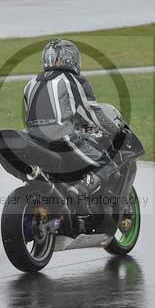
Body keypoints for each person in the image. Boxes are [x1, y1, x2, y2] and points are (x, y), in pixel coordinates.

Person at [23, 39, 119, 197]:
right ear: (71, 59)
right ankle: (78, 191)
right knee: (107, 164)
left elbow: (33, 116)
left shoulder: (30, 84)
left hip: (33, 139)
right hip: (62, 138)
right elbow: (94, 114)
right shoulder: (74, 80)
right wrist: (116, 132)